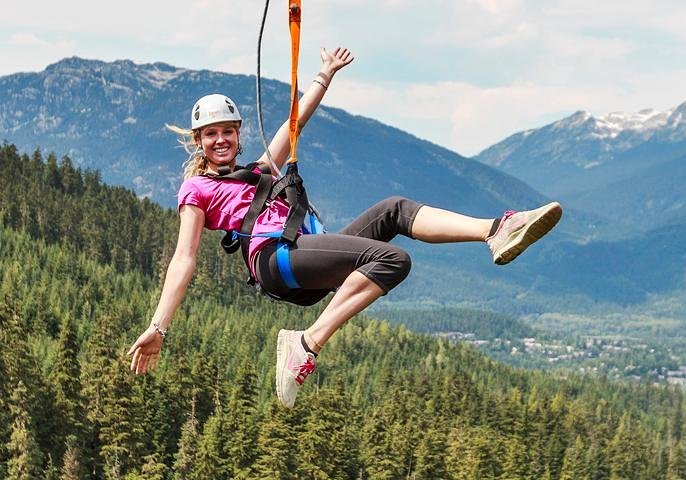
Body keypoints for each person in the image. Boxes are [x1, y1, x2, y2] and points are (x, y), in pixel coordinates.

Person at [127, 46, 562, 409]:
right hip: (275, 261)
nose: (220, 140)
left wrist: (324, 75)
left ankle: (495, 229)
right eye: (210, 134)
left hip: (303, 252)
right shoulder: (197, 189)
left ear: (239, 135)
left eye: (227, 131)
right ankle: (306, 343)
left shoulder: (260, 170)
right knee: (392, 260)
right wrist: (159, 326)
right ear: (198, 141)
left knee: (394, 209)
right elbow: (184, 259)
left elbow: (294, 123)